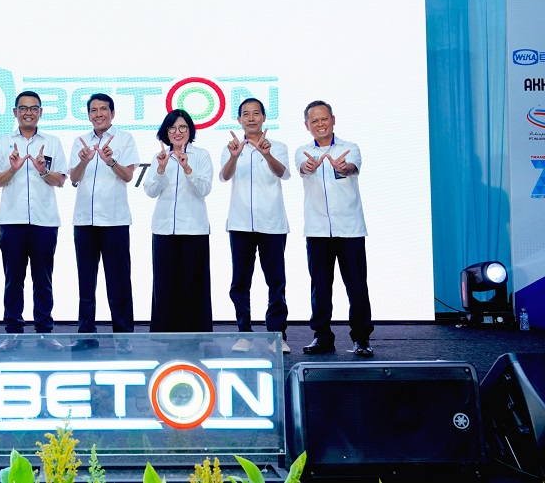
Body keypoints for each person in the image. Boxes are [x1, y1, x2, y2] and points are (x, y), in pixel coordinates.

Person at [0, 91, 68, 352]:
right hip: (12, 221)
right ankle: (13, 333)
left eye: (34, 108)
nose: (28, 113)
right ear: (15, 112)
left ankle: (45, 331)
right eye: (23, 108)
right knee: (13, 279)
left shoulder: (52, 142)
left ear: (40, 112)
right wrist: (12, 169)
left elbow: (60, 180)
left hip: (45, 221)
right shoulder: (2, 143)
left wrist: (43, 170)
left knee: (43, 279)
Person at [294, 100, 373, 357]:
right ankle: (322, 336)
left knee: (357, 286)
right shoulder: (303, 152)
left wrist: (343, 167)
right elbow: (303, 168)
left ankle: (361, 338)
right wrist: (309, 166)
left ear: (333, 120)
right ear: (307, 125)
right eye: (314, 120)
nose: (320, 124)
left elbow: (352, 168)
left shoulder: (350, 148)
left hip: (350, 229)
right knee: (320, 286)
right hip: (317, 231)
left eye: (324, 119)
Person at [67, 94, 139, 354]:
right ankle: (86, 334)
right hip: (84, 220)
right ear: (88, 115)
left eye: (103, 109)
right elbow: (73, 178)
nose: (98, 114)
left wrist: (111, 161)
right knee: (86, 282)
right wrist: (84, 160)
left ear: (112, 113)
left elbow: (128, 176)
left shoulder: (125, 139)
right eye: (94, 110)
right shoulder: (80, 141)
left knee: (118, 281)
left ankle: (123, 335)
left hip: (115, 220)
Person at [220, 98, 291, 354]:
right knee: (240, 282)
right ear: (239, 120)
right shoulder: (231, 147)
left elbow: (283, 173)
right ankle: (244, 334)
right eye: (246, 114)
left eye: (256, 113)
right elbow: (225, 176)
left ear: (263, 118)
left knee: (276, 282)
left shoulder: (278, 146)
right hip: (240, 224)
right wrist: (234, 157)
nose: (251, 118)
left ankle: (277, 335)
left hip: (272, 223)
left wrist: (266, 153)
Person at [143, 109, 213, 333]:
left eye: (183, 127)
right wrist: (161, 169)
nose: (177, 132)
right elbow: (150, 191)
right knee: (165, 287)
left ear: (190, 130)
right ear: (166, 132)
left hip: (194, 229)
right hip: (164, 229)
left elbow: (204, 189)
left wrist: (187, 168)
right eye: (172, 128)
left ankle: (194, 336)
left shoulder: (201, 155)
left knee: (193, 287)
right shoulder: (160, 157)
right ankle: (166, 337)